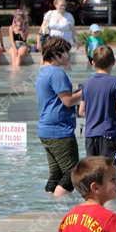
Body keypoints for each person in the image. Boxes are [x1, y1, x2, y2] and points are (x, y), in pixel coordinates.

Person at [37, 37, 83, 197]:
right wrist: (87, 91)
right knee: (74, 174)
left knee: (56, 175)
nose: (68, 56)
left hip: (45, 129)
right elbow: (68, 101)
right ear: (56, 54)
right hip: (59, 130)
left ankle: (47, 204)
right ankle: (59, 205)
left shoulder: (43, 71)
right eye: (66, 53)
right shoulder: (57, 73)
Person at [79, 46, 116, 167]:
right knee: (110, 175)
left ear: (93, 62)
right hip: (109, 136)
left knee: (94, 174)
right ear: (113, 62)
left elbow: (81, 111)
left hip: (90, 136)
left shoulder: (86, 83)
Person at [9, 4, 31, 68]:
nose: (18, 20)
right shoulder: (11, 28)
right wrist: (15, 48)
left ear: (23, 19)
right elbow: (12, 40)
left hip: (23, 45)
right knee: (14, 55)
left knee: (19, 56)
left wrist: (21, 31)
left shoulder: (26, 27)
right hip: (14, 45)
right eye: (17, 19)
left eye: (20, 19)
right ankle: (14, 73)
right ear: (15, 20)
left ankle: (16, 72)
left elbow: (24, 39)